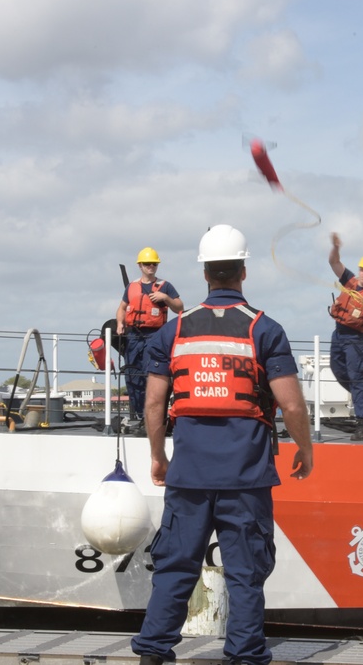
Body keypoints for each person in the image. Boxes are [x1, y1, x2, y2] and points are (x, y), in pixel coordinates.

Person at [131, 224, 314, 665]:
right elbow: (290, 405)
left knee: (175, 568)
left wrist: (159, 457)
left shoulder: (174, 332)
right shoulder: (264, 330)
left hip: (189, 475)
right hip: (246, 478)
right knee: (245, 574)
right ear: (243, 272)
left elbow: (154, 405)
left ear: (205, 274)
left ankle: (154, 652)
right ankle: (245, 656)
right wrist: (306, 449)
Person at [115, 247, 183, 434]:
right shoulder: (131, 287)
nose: (151, 266)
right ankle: (137, 413)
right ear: (140, 266)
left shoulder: (165, 286)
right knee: (133, 374)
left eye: (154, 263)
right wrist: (120, 323)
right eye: (147, 264)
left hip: (155, 335)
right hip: (133, 336)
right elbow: (121, 308)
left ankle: (153, 415)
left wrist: (165, 298)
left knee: (152, 375)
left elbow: (179, 307)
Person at [327, 232, 363, 441]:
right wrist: (336, 247)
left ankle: (362, 423)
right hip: (339, 333)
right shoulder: (350, 280)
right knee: (338, 370)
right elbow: (334, 262)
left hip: (355, 339)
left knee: (357, 378)